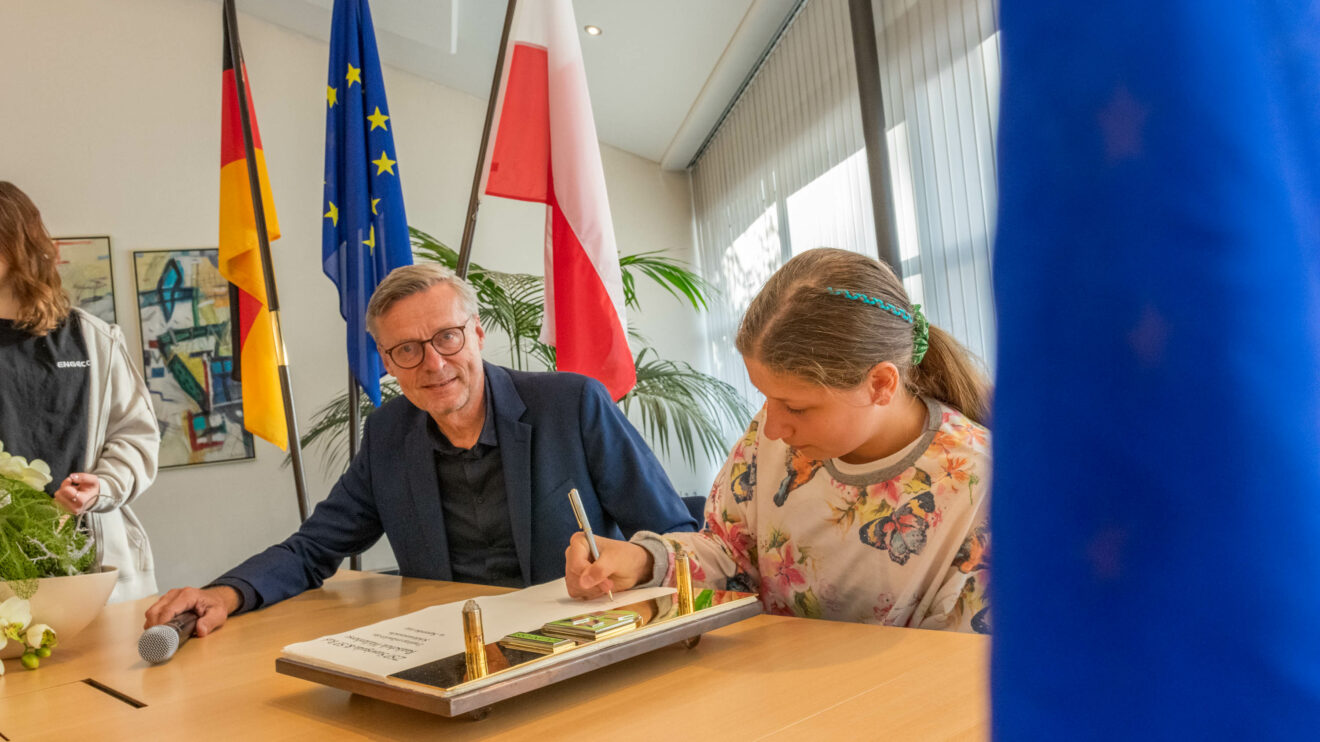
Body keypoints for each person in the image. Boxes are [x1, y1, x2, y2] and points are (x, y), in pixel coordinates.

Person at [145, 263, 697, 636]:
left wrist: (634, 563)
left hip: (578, 636)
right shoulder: (389, 434)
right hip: (454, 646)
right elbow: (313, 549)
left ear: (477, 334)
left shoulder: (570, 405)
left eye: (447, 338)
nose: (432, 364)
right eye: (407, 349)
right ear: (386, 362)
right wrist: (225, 593)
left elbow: (676, 535)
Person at [566, 248, 992, 633]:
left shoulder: (984, 483)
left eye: (797, 407)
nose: (772, 428)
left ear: (880, 383)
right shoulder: (773, 437)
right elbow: (728, 554)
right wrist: (642, 561)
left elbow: (965, 663)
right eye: (767, 399)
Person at [0, 182, 160, 603]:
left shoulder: (92, 338)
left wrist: (101, 486)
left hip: (90, 565)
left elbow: (136, 435)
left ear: (19, 243)